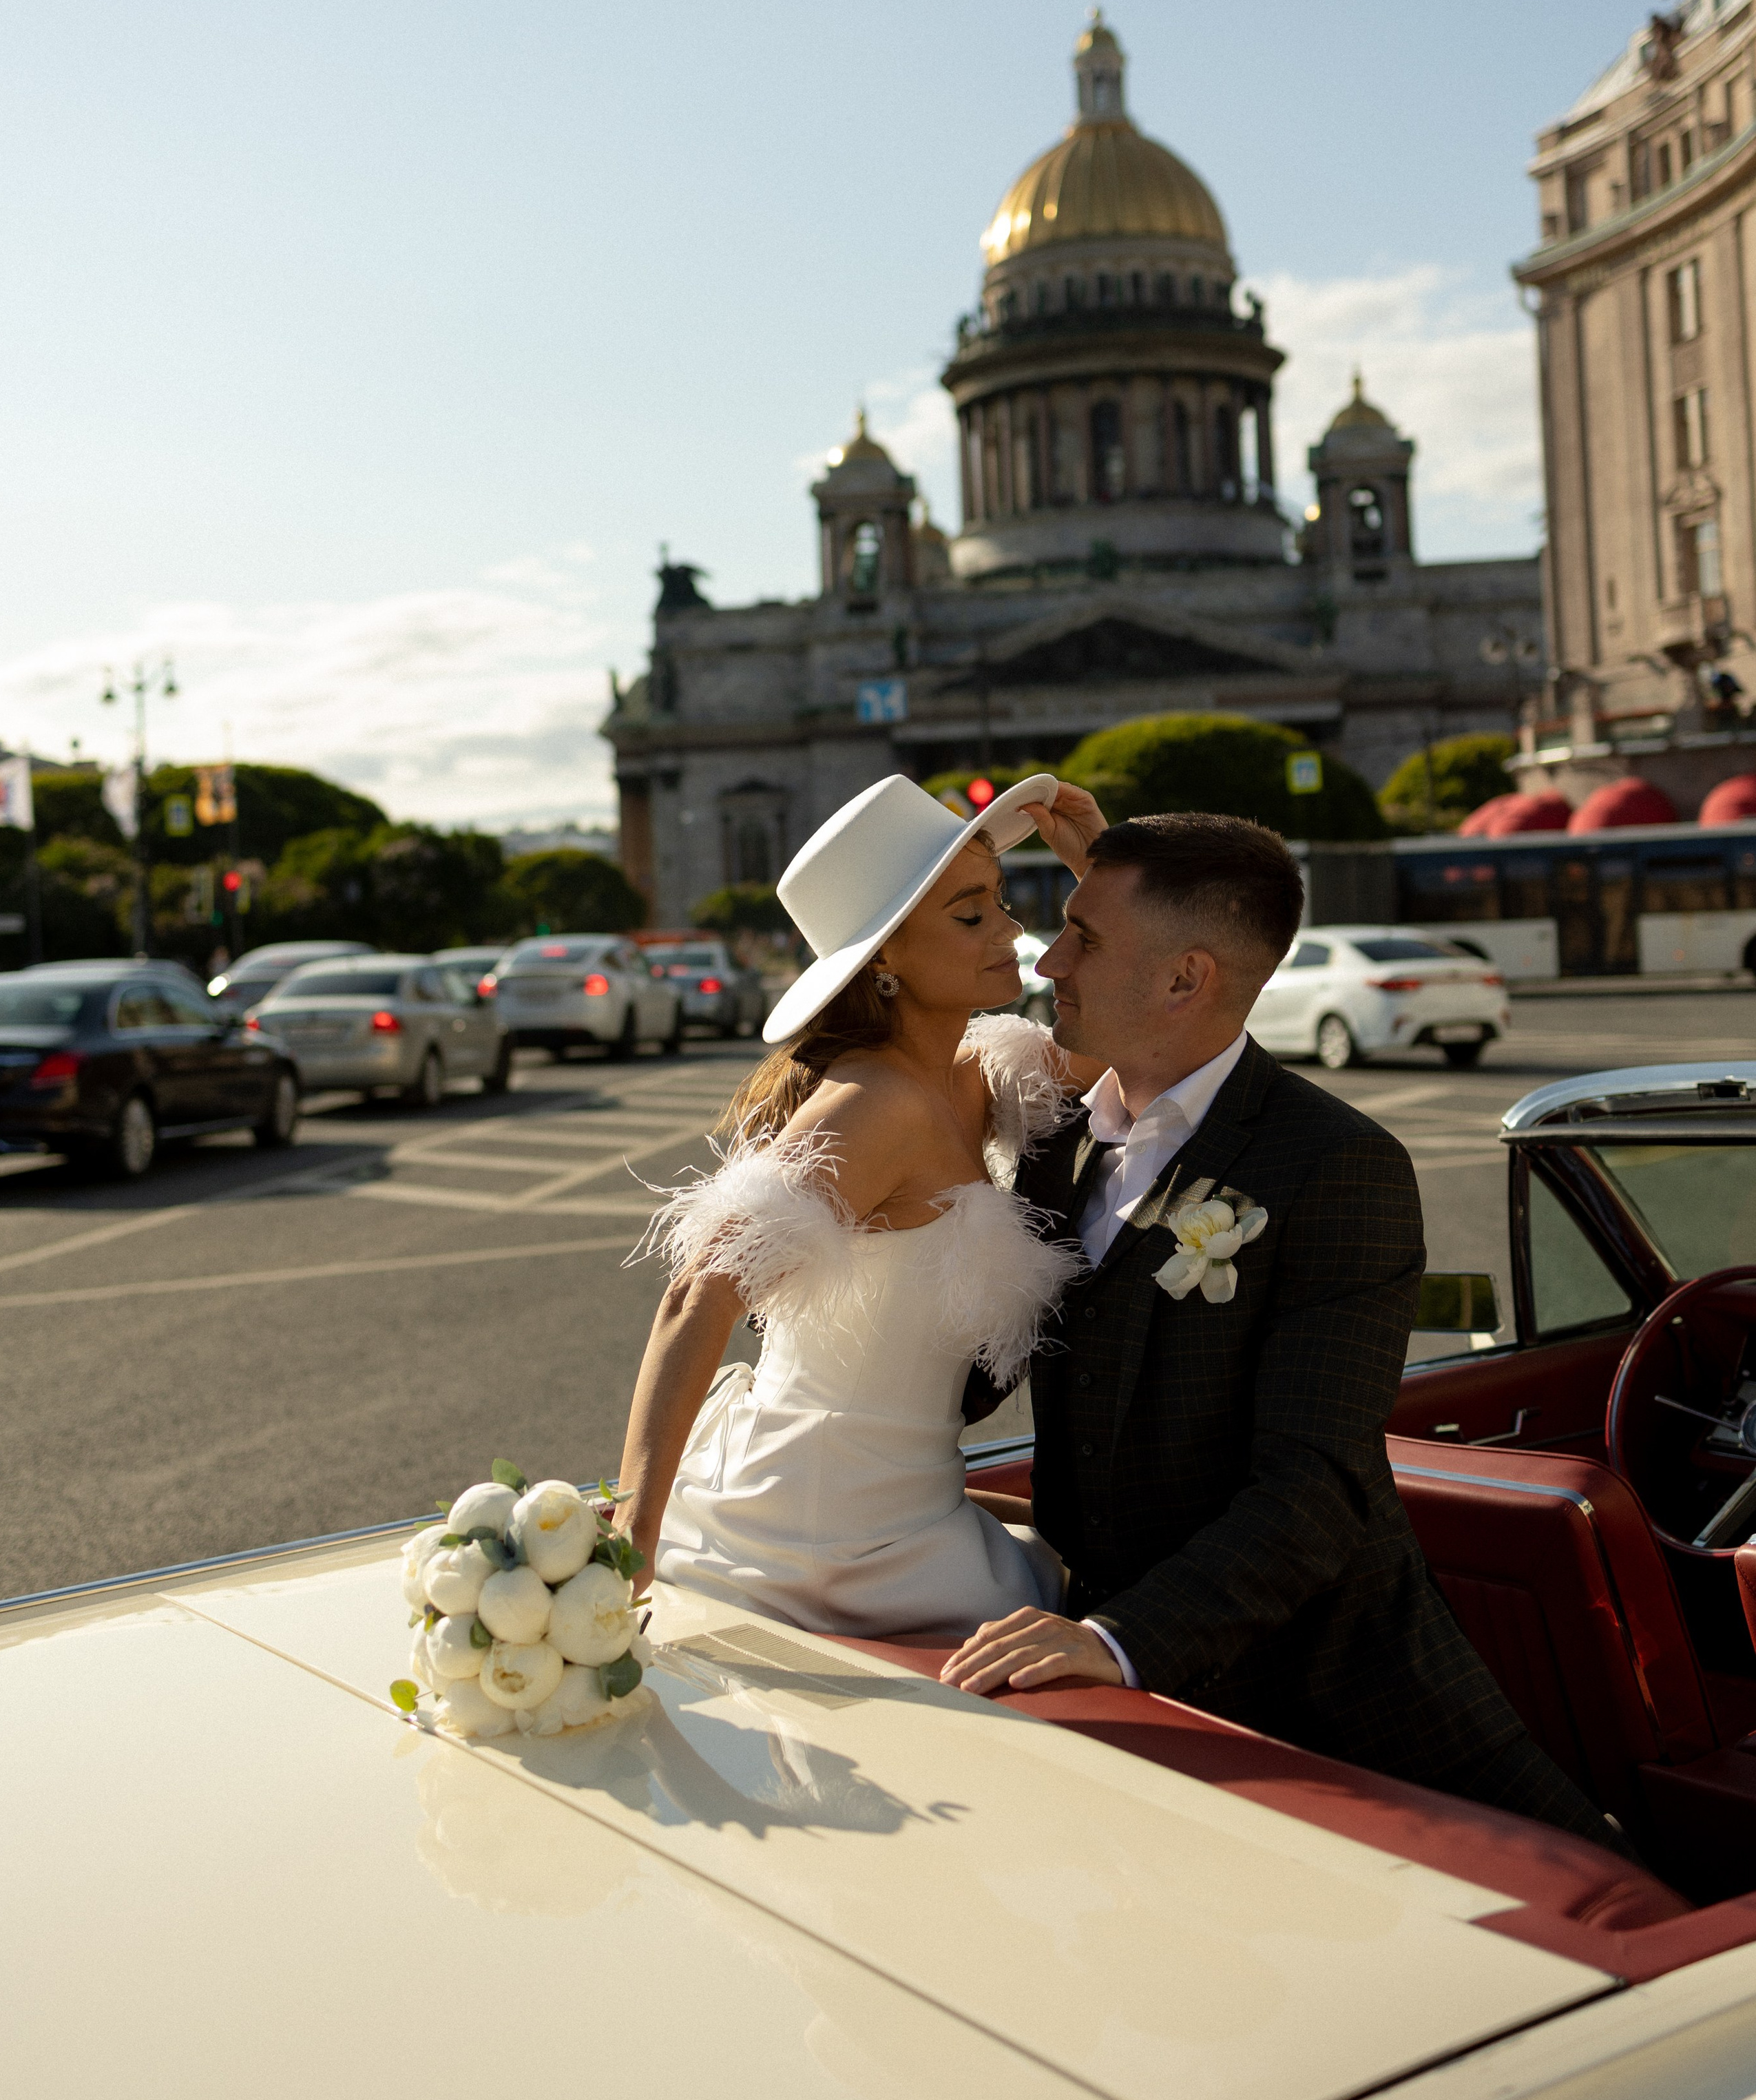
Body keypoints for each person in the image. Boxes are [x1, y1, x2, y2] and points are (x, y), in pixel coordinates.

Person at [940, 808, 1623, 1851]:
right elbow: (981, 1380)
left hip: (1336, 1692)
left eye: (1085, 936)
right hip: (1106, 1678)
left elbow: (1317, 1489)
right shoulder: (1055, 1142)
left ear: (1185, 980)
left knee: (1611, 1917)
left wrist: (1118, 1644)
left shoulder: (1338, 1166)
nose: (1051, 958)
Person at [609, 769, 1105, 1637]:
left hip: (913, 1511)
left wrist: (1100, 869)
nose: (1011, 929)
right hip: (817, 1531)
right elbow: (698, 1293)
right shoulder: (871, 1104)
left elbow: (1140, 1041)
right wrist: (631, 1542)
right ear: (884, 959)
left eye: (999, 901)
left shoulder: (976, 1076)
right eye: (969, 914)